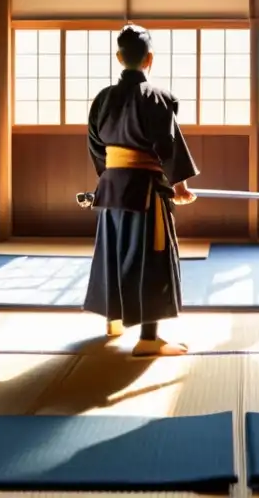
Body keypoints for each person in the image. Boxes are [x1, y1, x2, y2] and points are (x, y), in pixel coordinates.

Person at [83, 24, 198, 357]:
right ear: (150, 59)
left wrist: (108, 179)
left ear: (119, 57)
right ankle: (149, 338)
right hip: (145, 191)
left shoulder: (103, 99)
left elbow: (95, 146)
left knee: (114, 252)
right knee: (152, 258)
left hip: (111, 189)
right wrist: (179, 186)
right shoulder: (158, 97)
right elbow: (168, 145)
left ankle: (114, 321)